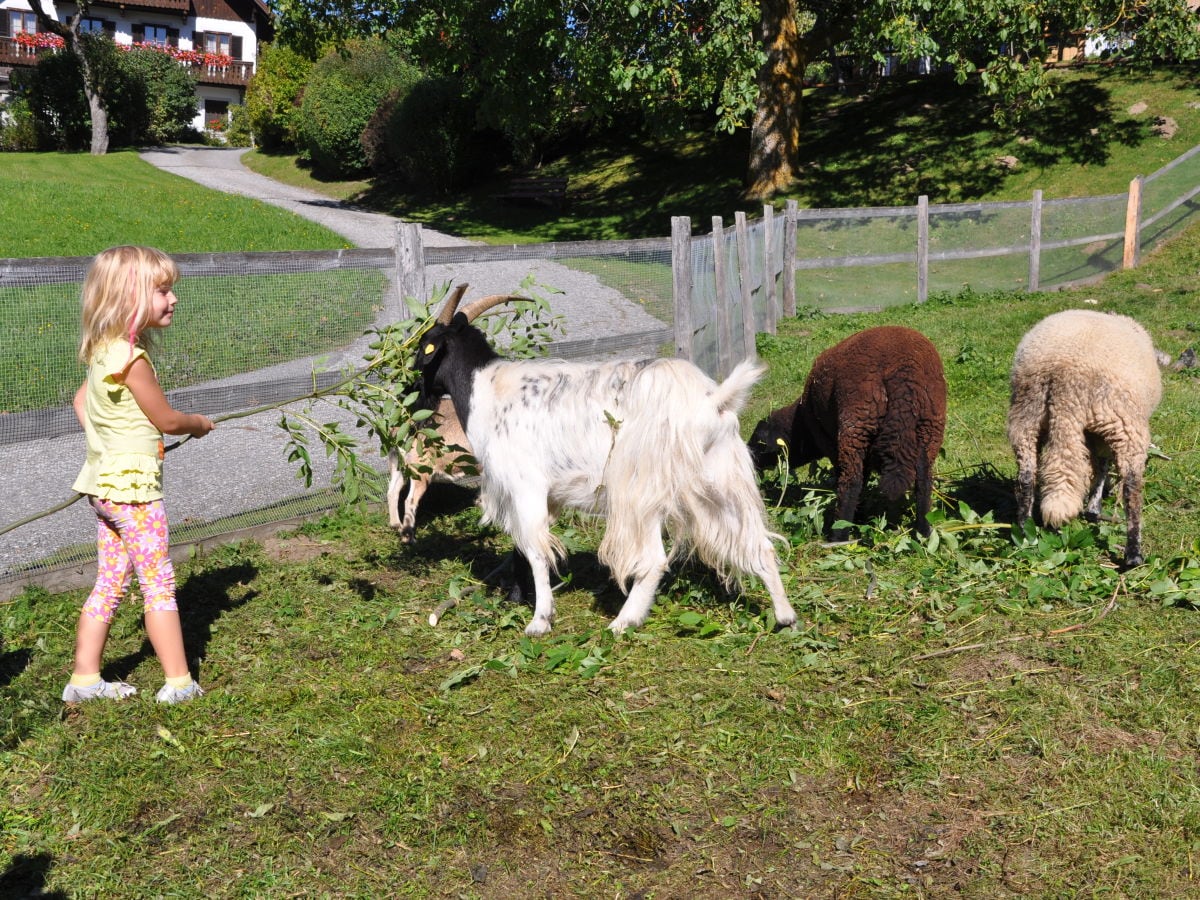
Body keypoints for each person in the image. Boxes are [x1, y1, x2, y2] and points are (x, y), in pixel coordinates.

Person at [63, 246, 215, 704]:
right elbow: (168, 420)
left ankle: (85, 680)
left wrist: (113, 445)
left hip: (103, 487)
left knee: (111, 581)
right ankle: (179, 683)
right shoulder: (132, 360)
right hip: (134, 494)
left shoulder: (102, 352)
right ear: (130, 298)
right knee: (159, 583)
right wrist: (199, 423)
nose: (174, 299)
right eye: (163, 290)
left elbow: (79, 403)